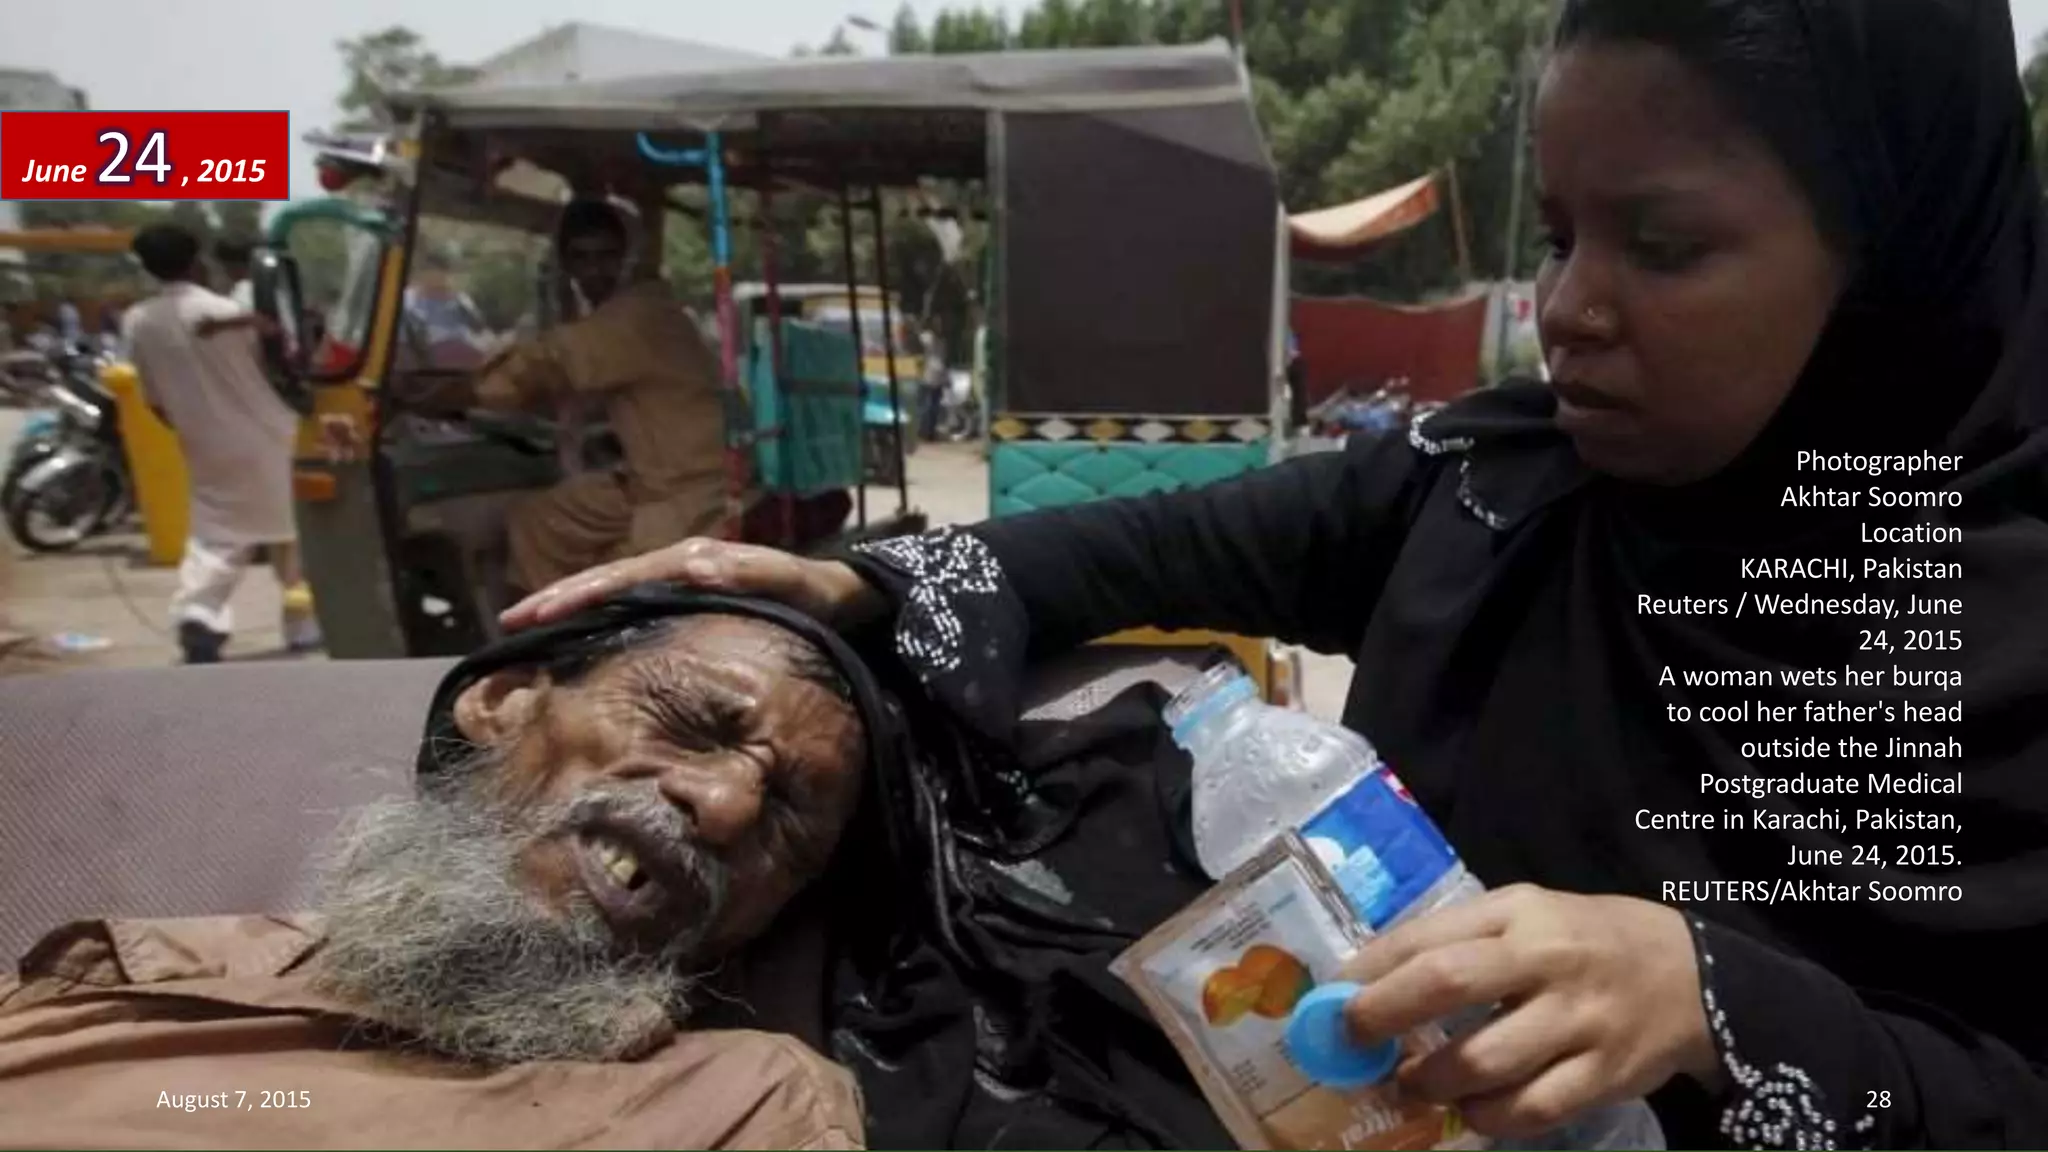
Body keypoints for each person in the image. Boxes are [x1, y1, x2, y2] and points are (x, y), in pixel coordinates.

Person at [498, 1, 2048, 1148]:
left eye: (1664, 245)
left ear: (1890, 266)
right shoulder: (1500, 486)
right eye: (1564, 235)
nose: (1568, 311)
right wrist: (855, 584)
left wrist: (1712, 999)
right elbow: (1157, 546)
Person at [0, 587, 1274, 1149]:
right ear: (498, 704)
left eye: (787, 820)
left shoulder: (733, 1111)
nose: (722, 803)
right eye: (696, 723)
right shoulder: (111, 991)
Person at [436, 197, 728, 598]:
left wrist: (453, 392)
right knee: (538, 516)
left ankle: (553, 636)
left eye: (607, 256)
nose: (594, 271)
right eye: (581, 258)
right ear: (567, 266)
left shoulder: (634, 318)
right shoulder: (645, 310)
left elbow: (549, 361)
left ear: (628, 258)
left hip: (677, 493)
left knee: (536, 526)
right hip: (662, 479)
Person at [123, 224, 322, 663]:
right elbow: (283, 364)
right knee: (295, 536)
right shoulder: (233, 312)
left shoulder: (137, 321)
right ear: (197, 263)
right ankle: (303, 624)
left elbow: (153, 399)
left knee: (217, 538)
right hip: (274, 435)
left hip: (205, 442)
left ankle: (199, 612)